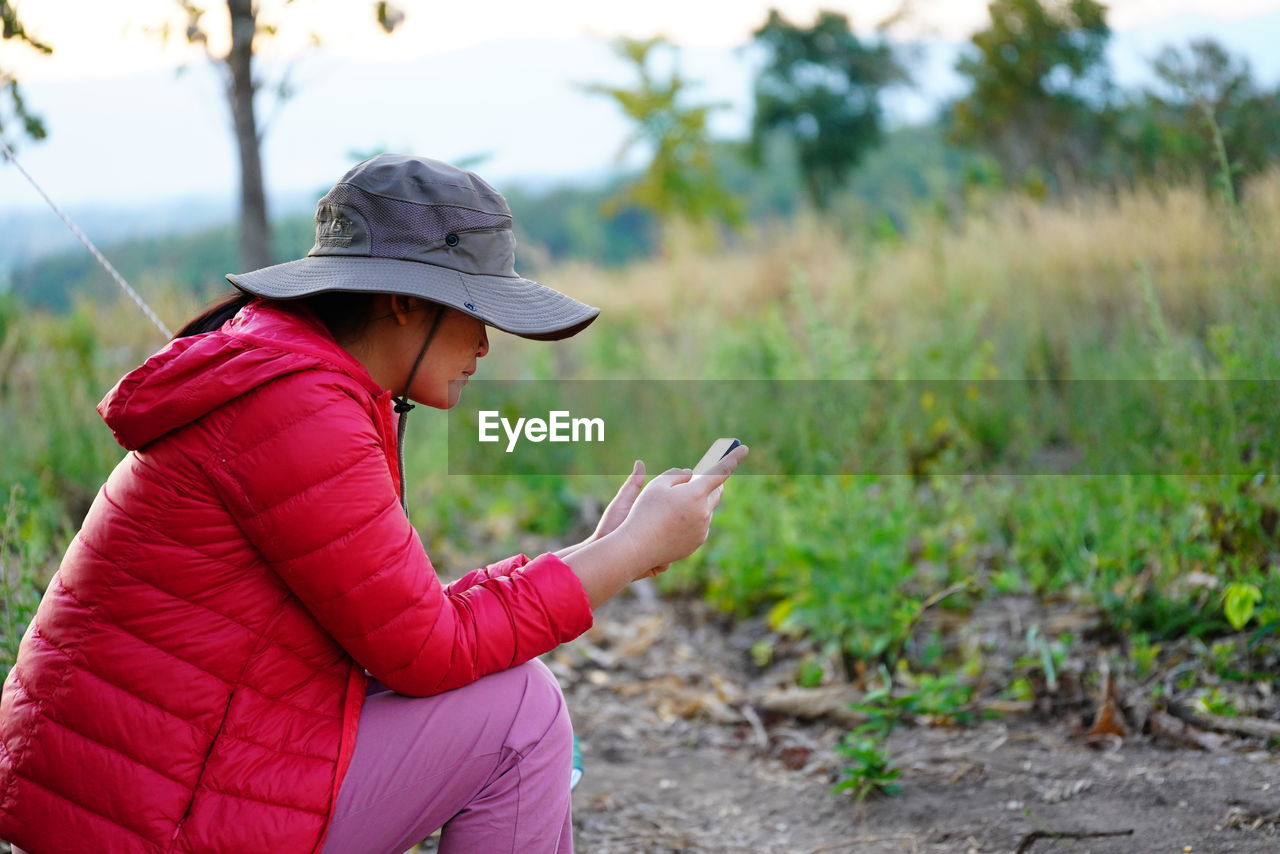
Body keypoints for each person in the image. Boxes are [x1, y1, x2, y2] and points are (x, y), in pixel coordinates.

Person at [0, 155, 747, 854]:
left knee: (510, 695)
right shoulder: (295, 408)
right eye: (474, 311)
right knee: (522, 714)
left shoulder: (292, 381)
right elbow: (428, 651)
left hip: (147, 790)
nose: (485, 344)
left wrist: (599, 552)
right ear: (401, 303)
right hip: (158, 817)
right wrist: (627, 555)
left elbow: (392, 622)